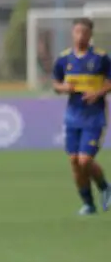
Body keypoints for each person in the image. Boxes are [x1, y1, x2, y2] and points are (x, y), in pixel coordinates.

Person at [52, 17, 111, 215]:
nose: (80, 36)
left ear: (90, 35)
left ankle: (104, 188)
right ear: (72, 33)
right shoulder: (64, 59)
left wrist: (99, 92)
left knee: (85, 160)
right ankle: (88, 203)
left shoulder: (101, 58)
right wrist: (63, 87)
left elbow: (110, 82)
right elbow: (55, 84)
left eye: (84, 32)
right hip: (72, 117)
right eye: (77, 32)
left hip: (94, 118)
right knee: (75, 162)